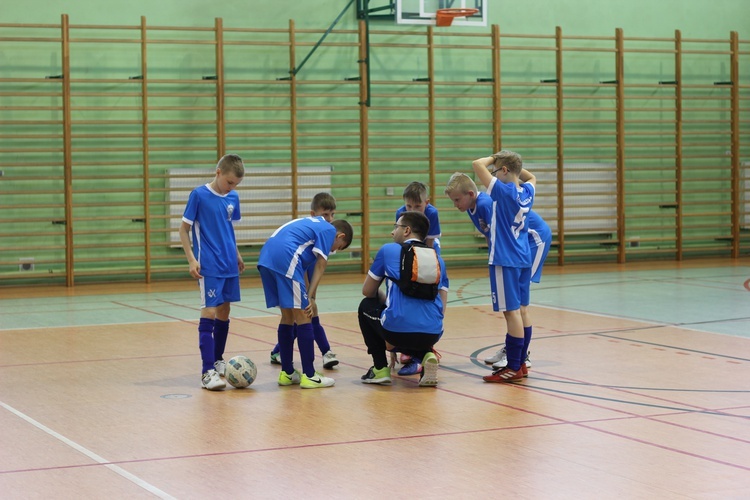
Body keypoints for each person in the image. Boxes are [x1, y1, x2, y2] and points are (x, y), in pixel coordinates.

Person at [444, 172, 551, 373]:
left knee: (518, 306)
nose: (456, 204)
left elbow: (501, 235)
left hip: (534, 240)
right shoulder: (472, 206)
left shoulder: (485, 203)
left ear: (470, 193)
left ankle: (521, 356)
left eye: (457, 200)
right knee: (513, 306)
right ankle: (513, 349)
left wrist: (512, 170)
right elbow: (489, 235)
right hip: (514, 248)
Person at [257, 216, 353, 389]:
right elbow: (321, 265)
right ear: (340, 236)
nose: (334, 250)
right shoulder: (328, 230)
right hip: (286, 256)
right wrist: (310, 296)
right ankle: (309, 375)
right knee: (304, 315)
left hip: (266, 257)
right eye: (338, 247)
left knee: (287, 316)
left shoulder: (313, 224)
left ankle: (287, 373)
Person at [358, 211, 449, 387]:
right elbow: (442, 303)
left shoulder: (388, 250)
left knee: (366, 307)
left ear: (406, 230)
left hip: (397, 330)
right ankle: (425, 355)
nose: (393, 232)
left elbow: (367, 291)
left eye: (396, 227)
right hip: (433, 332)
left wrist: (387, 305)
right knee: (416, 325)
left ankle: (380, 369)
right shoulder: (438, 259)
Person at [178, 153, 246, 391]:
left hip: (229, 263)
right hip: (209, 264)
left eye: (236, 185)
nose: (232, 188)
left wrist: (236, 254)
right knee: (209, 311)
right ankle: (206, 372)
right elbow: (183, 230)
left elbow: (228, 228)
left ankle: (218, 360)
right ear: (218, 172)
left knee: (225, 311)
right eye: (229, 182)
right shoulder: (199, 195)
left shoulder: (233, 197)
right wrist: (191, 260)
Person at [470, 150, 536, 383]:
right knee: (522, 311)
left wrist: (495, 156)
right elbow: (530, 177)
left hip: (505, 258)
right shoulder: (527, 191)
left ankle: (515, 366)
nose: (493, 173)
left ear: (504, 171)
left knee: (512, 313)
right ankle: (521, 365)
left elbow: (477, 164)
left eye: (497, 170)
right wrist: (511, 162)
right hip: (523, 258)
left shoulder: (504, 191)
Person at [269, 193, 340, 370]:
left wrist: (311, 296)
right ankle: (324, 353)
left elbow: (316, 266)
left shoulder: (324, 235)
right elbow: (309, 266)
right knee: (303, 314)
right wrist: (309, 295)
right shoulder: (310, 233)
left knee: (303, 315)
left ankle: (324, 352)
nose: (330, 219)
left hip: (302, 272)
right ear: (313, 213)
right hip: (295, 269)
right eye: (325, 215)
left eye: (332, 214)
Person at [394, 181, 443, 375]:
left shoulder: (432, 213)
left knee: (429, 295)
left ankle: (426, 347)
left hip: (428, 252)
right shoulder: (401, 214)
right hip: (409, 252)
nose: (413, 210)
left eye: (418, 206)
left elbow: (429, 244)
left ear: (427, 203)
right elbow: (400, 241)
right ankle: (408, 347)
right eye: (409, 206)